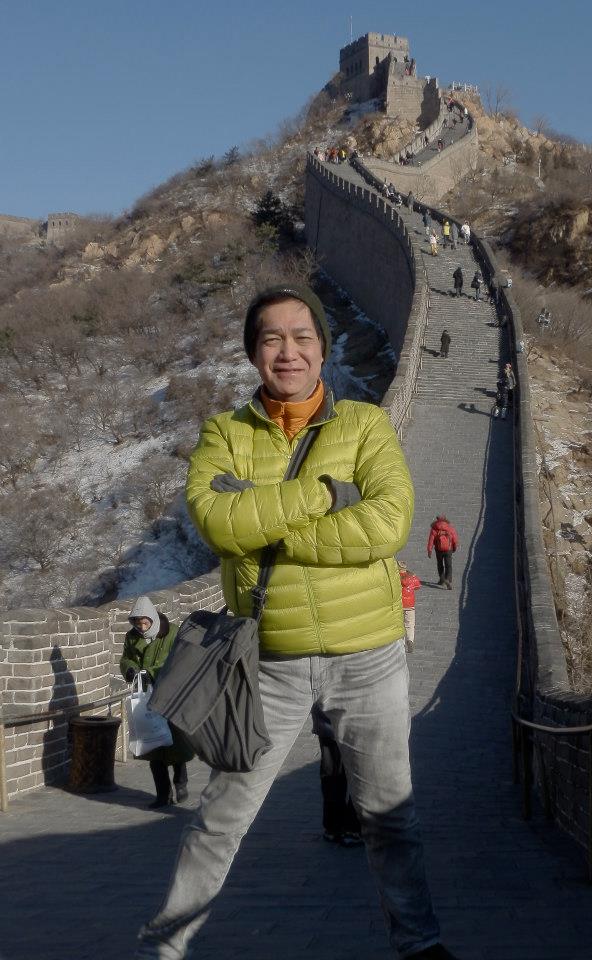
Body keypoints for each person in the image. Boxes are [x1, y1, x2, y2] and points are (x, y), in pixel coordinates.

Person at [135, 283, 457, 960]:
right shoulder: (225, 434)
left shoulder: (366, 425)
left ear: (322, 346)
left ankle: (420, 946)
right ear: (254, 352)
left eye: (302, 336)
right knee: (220, 820)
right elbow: (218, 524)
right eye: (272, 338)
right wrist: (326, 494)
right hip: (268, 661)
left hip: (368, 657)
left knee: (390, 819)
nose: (289, 351)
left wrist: (266, 522)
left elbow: (387, 525)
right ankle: (162, 949)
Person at [120, 597, 192, 809]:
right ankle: (163, 795)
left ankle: (180, 781)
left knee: (175, 745)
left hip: (171, 695)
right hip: (147, 697)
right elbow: (126, 658)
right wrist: (130, 669)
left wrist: (151, 672)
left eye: (145, 623)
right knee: (153, 747)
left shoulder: (172, 633)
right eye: (138, 623)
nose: (142, 628)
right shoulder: (132, 637)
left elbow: (181, 660)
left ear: (152, 619)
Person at [311, 704, 362, 847]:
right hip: (357, 720)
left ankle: (334, 827)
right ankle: (352, 828)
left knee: (332, 772)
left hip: (328, 717)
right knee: (357, 772)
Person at [427, 516, 459, 590]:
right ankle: (448, 579)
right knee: (448, 565)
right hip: (448, 549)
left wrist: (429, 550)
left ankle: (442, 579)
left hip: (438, 550)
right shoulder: (450, 528)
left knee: (440, 564)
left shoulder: (434, 529)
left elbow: (431, 540)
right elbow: (455, 539)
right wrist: (454, 547)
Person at [398, 561, 421, 653]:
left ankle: (402, 643)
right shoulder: (412, 576)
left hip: (399, 604)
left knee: (399, 624)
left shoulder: (395, 576)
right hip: (410, 605)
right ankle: (410, 640)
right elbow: (418, 587)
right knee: (410, 624)